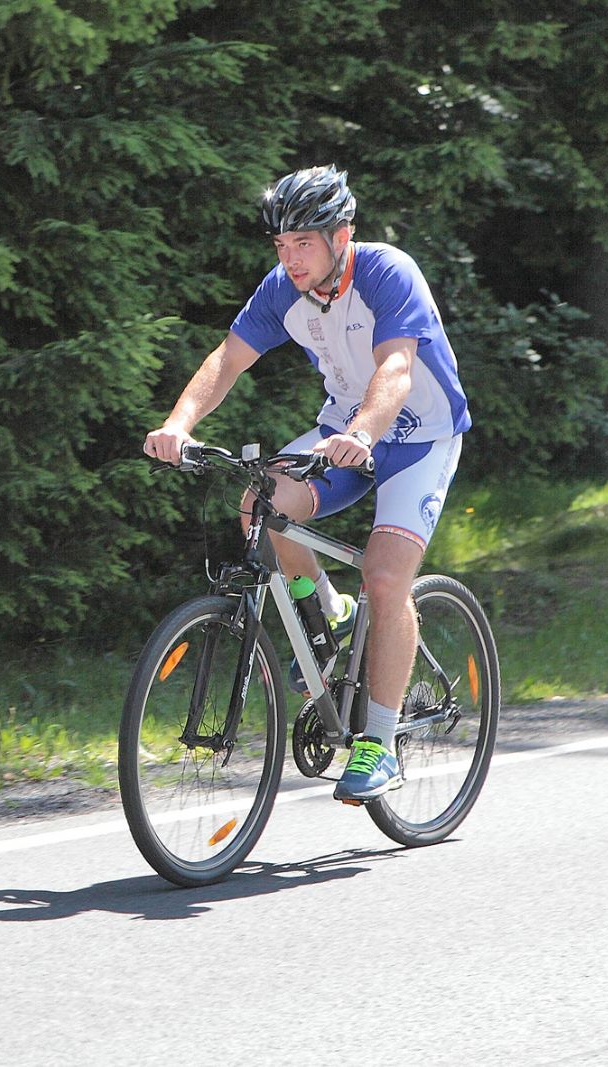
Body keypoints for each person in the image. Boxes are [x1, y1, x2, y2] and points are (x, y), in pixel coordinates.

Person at [143, 164, 470, 804]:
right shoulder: (282, 290)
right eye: (281, 245)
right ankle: (328, 613)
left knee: (385, 576)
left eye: (303, 244)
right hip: (341, 433)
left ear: (340, 236)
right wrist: (177, 425)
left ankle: (379, 741)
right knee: (259, 506)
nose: (290, 259)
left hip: (420, 438)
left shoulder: (387, 272)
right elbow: (228, 359)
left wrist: (364, 433)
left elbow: (396, 367)